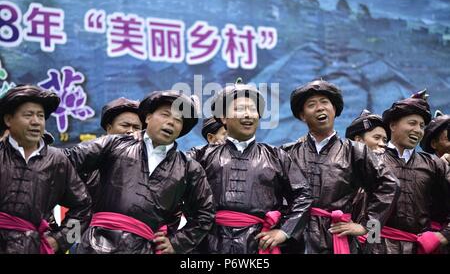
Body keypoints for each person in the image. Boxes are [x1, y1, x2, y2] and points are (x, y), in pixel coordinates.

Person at [63, 90, 215, 254]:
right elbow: (63, 163)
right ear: (148, 117)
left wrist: (177, 243)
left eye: (178, 120)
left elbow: (204, 213)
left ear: (182, 128)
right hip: (94, 244)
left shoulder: (189, 168)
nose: (171, 122)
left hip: (144, 248)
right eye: (165, 115)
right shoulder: (114, 144)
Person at [189, 81, 313, 254]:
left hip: (259, 245)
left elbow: (303, 195)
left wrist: (285, 231)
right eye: (240, 109)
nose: (247, 114)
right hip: (209, 243)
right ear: (224, 118)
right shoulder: (200, 156)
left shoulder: (277, 156)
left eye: (252, 109)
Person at [282, 79, 399, 254]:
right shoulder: (288, 152)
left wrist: (367, 228)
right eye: (311, 104)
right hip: (294, 240)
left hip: (336, 238)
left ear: (335, 109)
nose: (320, 108)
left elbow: (390, 185)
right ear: (302, 115)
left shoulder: (355, 151)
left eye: (325, 103)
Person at [0, 85, 91, 254]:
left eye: (40, 116)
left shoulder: (57, 160)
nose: (36, 121)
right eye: (28, 115)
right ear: (8, 120)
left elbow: (84, 208)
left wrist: (61, 241)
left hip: (33, 247)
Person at [368, 91, 450, 254]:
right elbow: (365, 208)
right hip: (379, 247)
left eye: (421, 126)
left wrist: (442, 236)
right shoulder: (371, 159)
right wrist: (371, 244)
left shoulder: (434, 164)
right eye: (412, 123)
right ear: (392, 125)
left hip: (421, 248)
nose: (418, 130)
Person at [80, 97, 142, 207]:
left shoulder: (150, 162)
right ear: (109, 128)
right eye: (125, 125)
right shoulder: (89, 157)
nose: (130, 131)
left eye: (136, 127)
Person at [345, 109, 389, 223]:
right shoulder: (340, 167)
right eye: (376, 138)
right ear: (358, 140)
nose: (382, 144)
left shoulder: (388, 172)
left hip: (372, 237)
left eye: (385, 140)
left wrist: (369, 236)